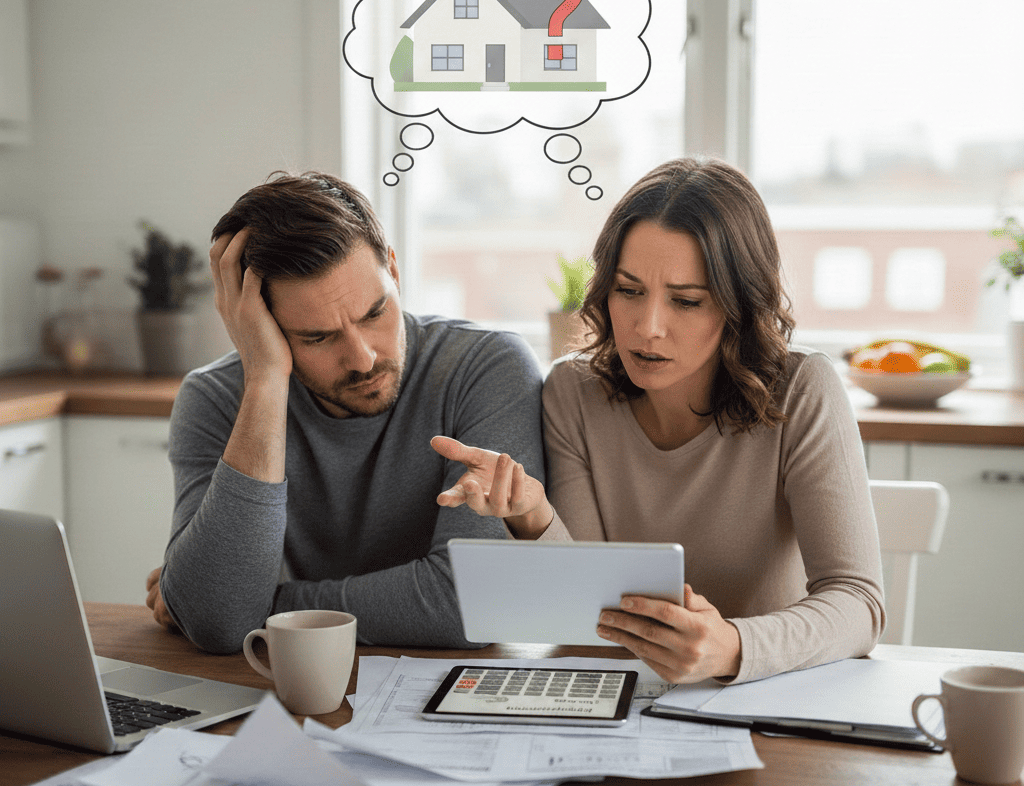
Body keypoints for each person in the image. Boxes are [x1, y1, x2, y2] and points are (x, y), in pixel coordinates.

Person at [433, 157, 885, 685]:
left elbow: (859, 603)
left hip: (765, 701)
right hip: (624, 698)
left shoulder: (803, 388)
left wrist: (732, 648)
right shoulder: (573, 391)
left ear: (739, 303)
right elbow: (589, 613)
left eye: (686, 301)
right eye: (629, 291)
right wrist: (532, 515)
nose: (647, 329)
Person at [145, 171, 544, 654]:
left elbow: (471, 603)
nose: (363, 358)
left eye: (375, 313)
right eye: (318, 337)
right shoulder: (217, 398)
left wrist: (264, 607)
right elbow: (217, 621)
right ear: (260, 326)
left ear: (393, 272)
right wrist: (267, 379)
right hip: (296, 689)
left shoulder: (486, 367)